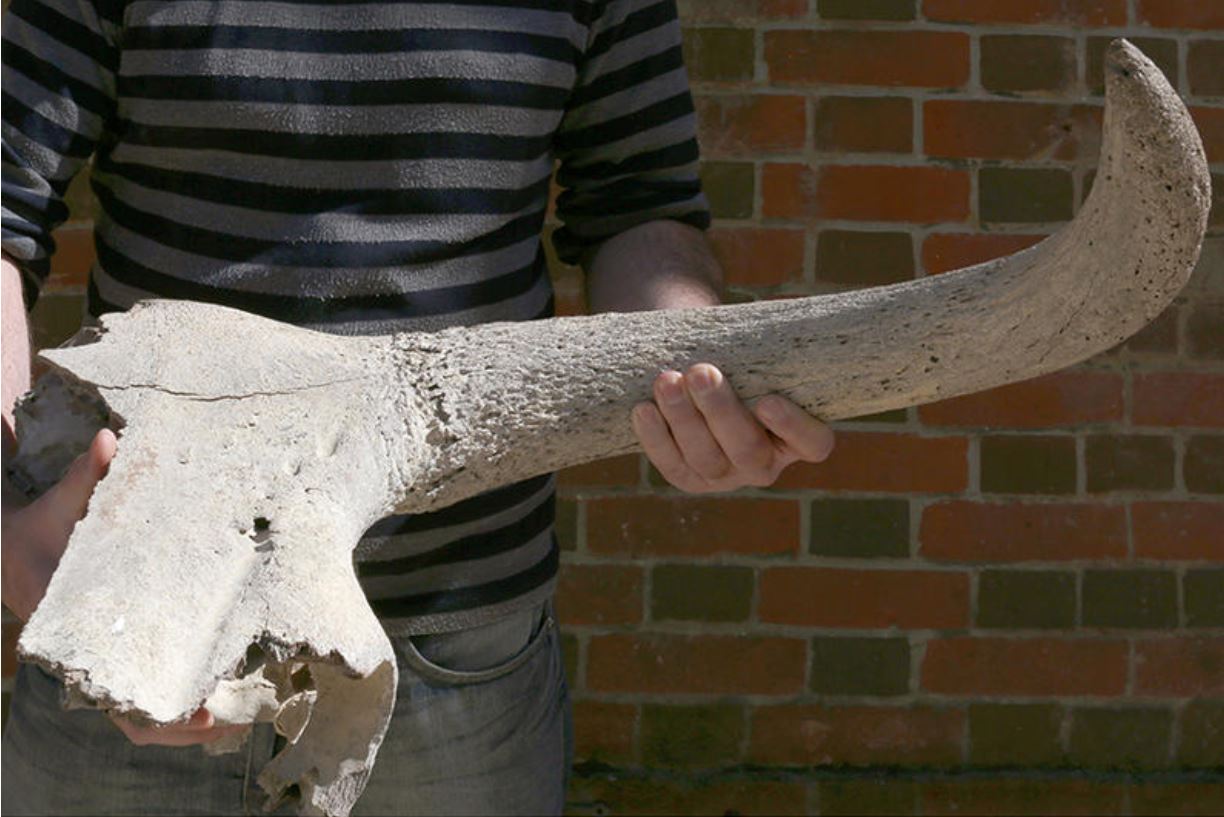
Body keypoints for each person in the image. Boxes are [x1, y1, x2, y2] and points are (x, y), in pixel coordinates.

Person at [0, 0, 835, 813]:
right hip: (142, 603)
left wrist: (691, 380)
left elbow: (637, 205)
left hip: (457, 643)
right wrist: (4, 508)